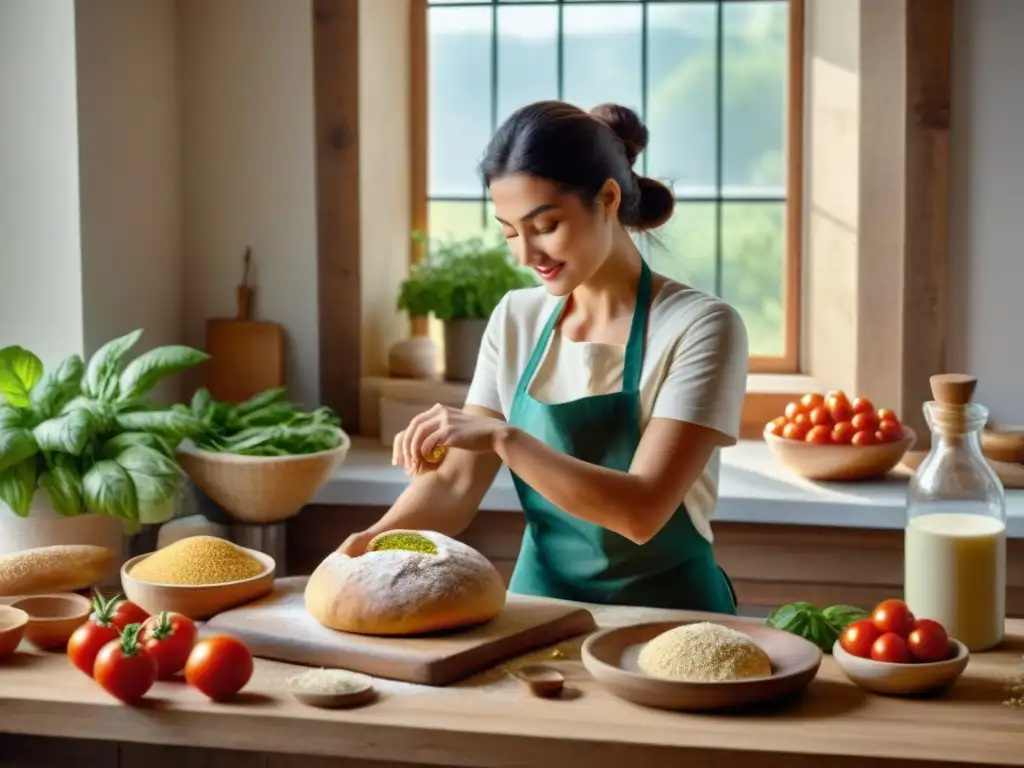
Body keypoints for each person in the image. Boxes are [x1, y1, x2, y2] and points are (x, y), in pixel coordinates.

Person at [339, 100, 749, 613]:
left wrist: (502, 436)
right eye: (510, 231)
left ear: (606, 198)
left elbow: (641, 511)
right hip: (537, 612)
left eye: (545, 225)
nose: (526, 255)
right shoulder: (517, 318)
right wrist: (366, 546)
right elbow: (455, 482)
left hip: (669, 619)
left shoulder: (699, 326)